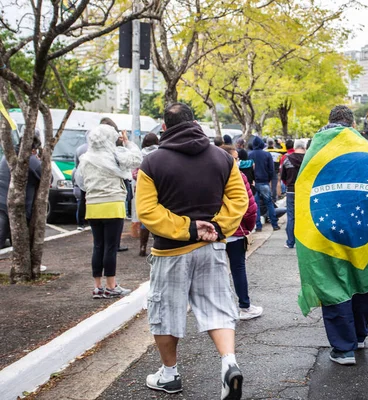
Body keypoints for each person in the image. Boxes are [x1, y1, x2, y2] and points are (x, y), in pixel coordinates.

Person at [136, 103, 248, 397]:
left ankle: (169, 375)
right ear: (196, 123)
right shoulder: (223, 158)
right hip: (211, 247)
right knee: (218, 307)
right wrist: (217, 227)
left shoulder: (152, 163)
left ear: (164, 128)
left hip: (171, 252)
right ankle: (229, 364)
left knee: (165, 312)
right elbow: (238, 200)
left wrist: (188, 228)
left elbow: (147, 212)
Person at [296, 105, 368, 366]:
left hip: (324, 226)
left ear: (329, 122)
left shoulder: (317, 147)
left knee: (332, 281)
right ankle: (359, 336)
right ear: (353, 124)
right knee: (360, 278)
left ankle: (343, 348)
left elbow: (303, 185)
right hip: (363, 225)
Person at [77, 124, 142, 299]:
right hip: (113, 204)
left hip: (92, 206)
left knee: (98, 246)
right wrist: (128, 143)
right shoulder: (116, 156)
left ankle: (97, 287)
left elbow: (81, 181)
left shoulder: (85, 158)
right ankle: (111, 286)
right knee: (111, 247)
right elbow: (137, 159)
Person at [221, 145, 263, 320]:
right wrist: (249, 227)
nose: (238, 161)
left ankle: (222, 309)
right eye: (236, 158)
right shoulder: (239, 176)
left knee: (218, 271)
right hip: (236, 231)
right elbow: (250, 208)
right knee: (238, 268)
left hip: (214, 233)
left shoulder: (207, 176)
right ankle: (244, 306)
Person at [0, 133, 42, 248]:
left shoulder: (9, 155)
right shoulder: (30, 160)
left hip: (2, 201)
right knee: (19, 242)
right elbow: (47, 176)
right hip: (18, 206)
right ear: (34, 149)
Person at [133, 133, 160, 257]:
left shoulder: (140, 154)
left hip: (142, 188)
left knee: (145, 216)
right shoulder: (160, 153)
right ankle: (157, 245)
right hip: (159, 188)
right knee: (158, 215)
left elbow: (134, 172)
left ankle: (142, 246)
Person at [249, 136, 280, 232]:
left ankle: (258, 226)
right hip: (264, 182)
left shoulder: (249, 155)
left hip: (254, 182)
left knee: (256, 205)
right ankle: (274, 224)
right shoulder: (267, 155)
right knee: (269, 203)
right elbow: (271, 169)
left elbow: (249, 169)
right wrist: (269, 179)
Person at [280, 139, 305, 249]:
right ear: (304, 147)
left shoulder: (287, 159)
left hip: (291, 190)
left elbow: (283, 177)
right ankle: (305, 243)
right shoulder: (309, 159)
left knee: (291, 216)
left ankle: (290, 242)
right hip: (305, 191)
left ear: (294, 147)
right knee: (305, 216)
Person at [266, 138, 286, 203]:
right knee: (276, 183)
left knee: (268, 184)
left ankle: (269, 197)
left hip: (267, 170)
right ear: (273, 143)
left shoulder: (264, 151)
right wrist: (281, 143)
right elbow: (285, 150)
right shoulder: (278, 151)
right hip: (275, 169)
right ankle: (276, 197)